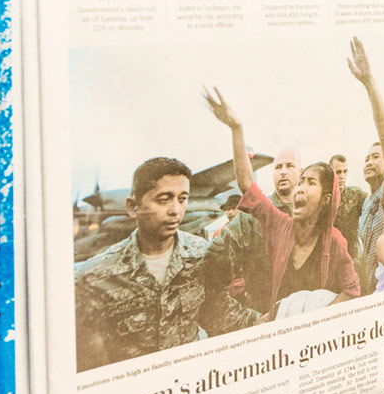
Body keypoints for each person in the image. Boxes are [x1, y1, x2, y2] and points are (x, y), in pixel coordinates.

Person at [75, 157, 258, 372]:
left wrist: (276, 318)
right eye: (164, 199)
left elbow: (224, 318)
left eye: (182, 199)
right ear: (133, 207)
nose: (176, 210)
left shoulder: (202, 255)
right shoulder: (92, 277)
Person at [204, 88, 359, 314]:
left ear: (326, 200)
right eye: (301, 181)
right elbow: (247, 184)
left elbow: (352, 290)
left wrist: (318, 320)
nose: (300, 187)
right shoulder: (279, 224)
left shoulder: (334, 240)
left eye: (310, 182)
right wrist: (237, 129)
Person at [209, 148, 300, 313]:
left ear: (301, 172)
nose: (283, 172)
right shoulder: (249, 219)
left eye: (290, 166)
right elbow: (212, 267)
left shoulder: (314, 216)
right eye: (278, 167)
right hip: (265, 315)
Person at [348, 38, 384, 293]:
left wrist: (369, 83)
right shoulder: (367, 203)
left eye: (376, 156)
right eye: (367, 158)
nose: (369, 161)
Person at [329, 153, 367, 262]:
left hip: (353, 257)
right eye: (338, 172)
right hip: (331, 257)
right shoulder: (323, 199)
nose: (342, 176)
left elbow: (374, 206)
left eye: (345, 172)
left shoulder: (356, 195)